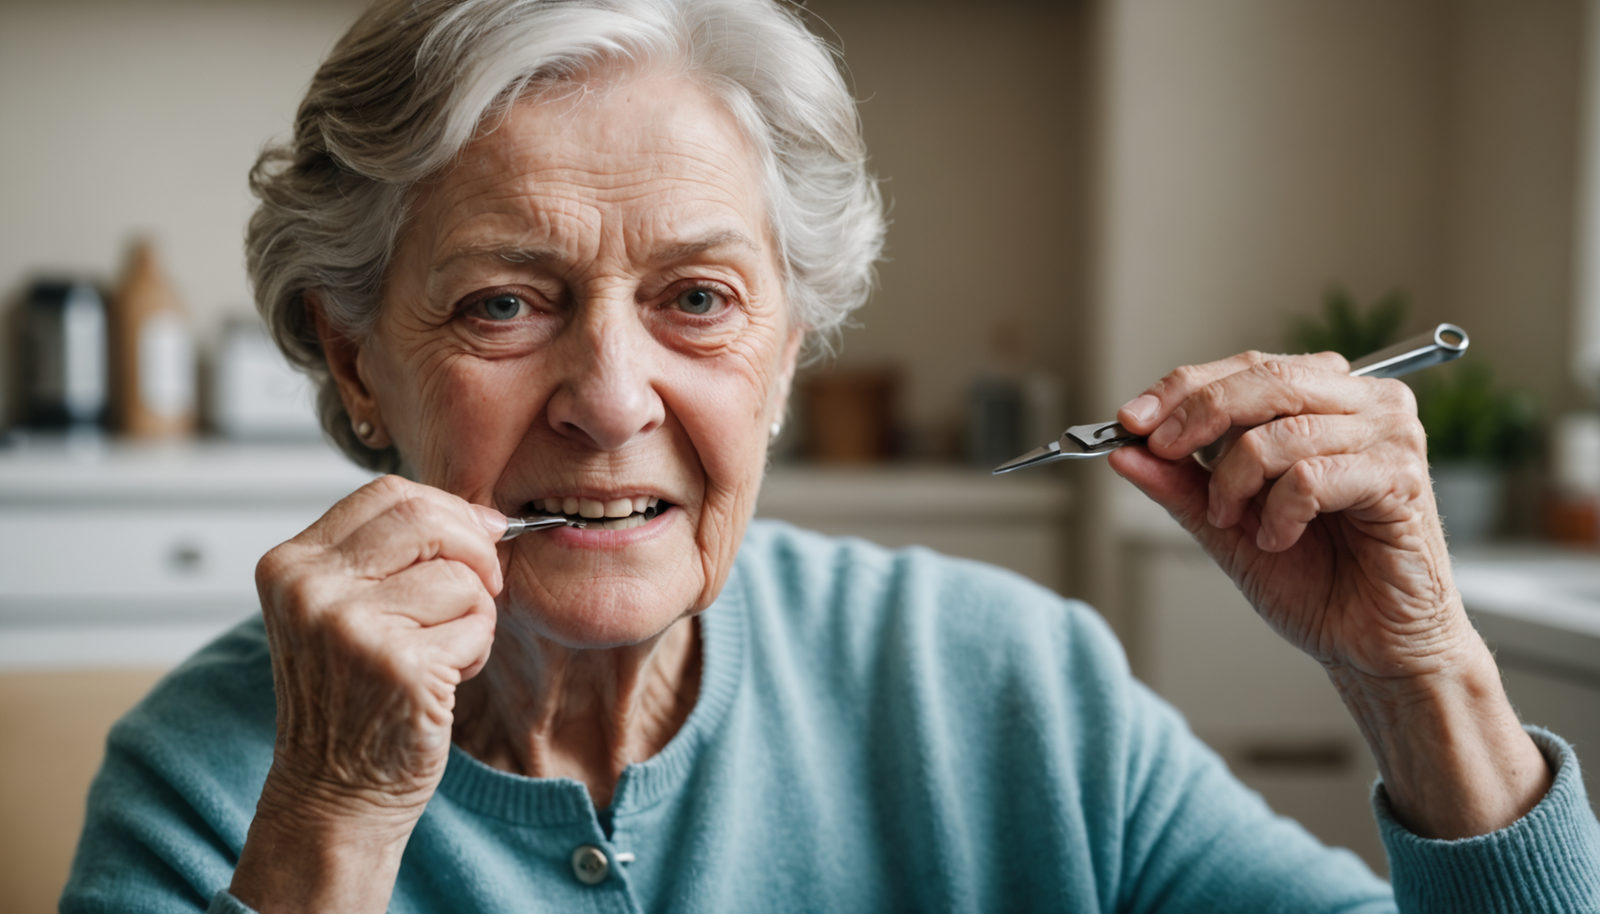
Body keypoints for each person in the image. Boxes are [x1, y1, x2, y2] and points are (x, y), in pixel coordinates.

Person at [62, 0, 1600, 911]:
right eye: (503, 303)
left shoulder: (1010, 685)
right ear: (354, 358)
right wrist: (331, 822)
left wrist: (1421, 672)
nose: (612, 397)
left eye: (698, 299)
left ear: (790, 346)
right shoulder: (212, 779)